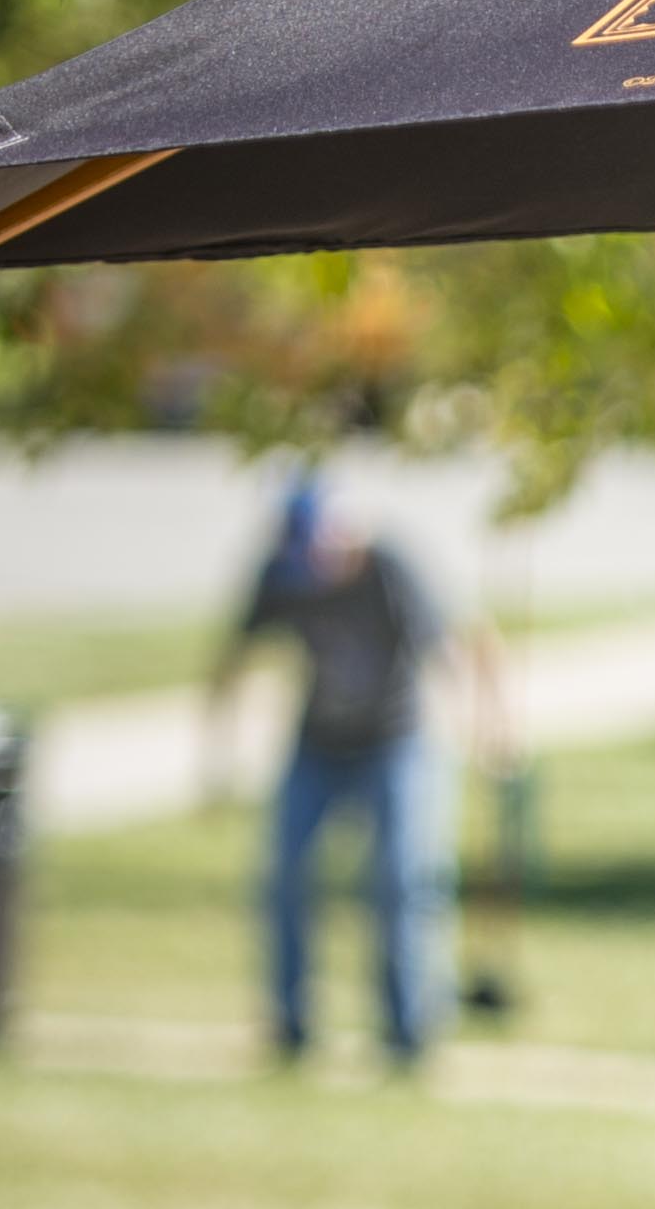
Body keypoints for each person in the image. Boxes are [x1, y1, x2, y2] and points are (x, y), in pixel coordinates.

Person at [212, 444, 502, 1068]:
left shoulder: (391, 569)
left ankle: (408, 1032)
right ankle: (290, 1028)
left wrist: (486, 733)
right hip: (316, 745)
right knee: (286, 879)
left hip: (396, 743)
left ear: (342, 532)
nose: (312, 567)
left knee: (401, 881)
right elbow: (230, 660)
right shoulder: (280, 574)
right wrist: (216, 759)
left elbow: (462, 647)